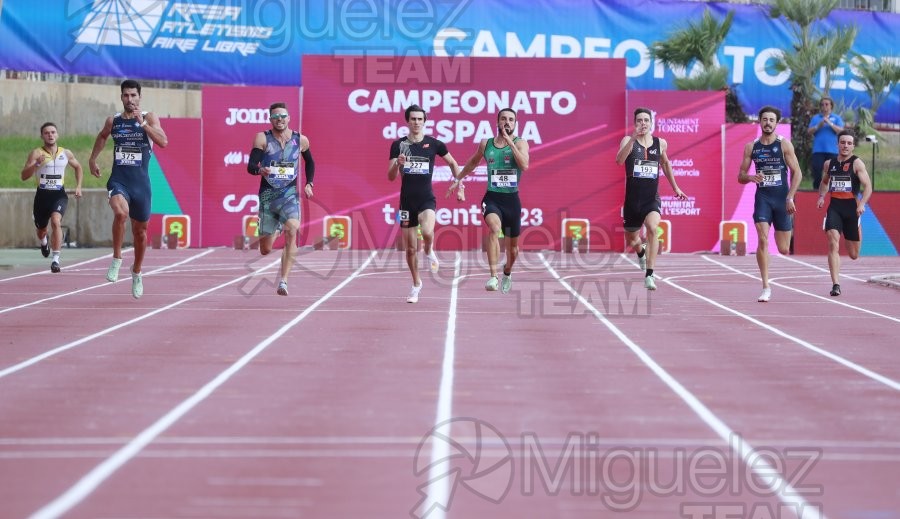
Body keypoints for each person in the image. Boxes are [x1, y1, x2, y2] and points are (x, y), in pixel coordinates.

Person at [88, 79, 168, 299]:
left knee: (140, 233)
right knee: (120, 213)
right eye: (126, 95)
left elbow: (163, 142)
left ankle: (137, 271)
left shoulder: (149, 117)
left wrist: (142, 123)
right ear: (121, 97)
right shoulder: (113, 120)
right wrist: (93, 159)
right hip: (119, 180)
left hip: (140, 184)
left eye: (133, 95)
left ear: (139, 97)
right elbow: (103, 136)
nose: (130, 99)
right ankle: (116, 258)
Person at [448, 108, 528, 293]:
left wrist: (510, 143)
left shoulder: (521, 142)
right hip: (492, 197)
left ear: (515, 123)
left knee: (513, 250)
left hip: (512, 201)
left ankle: (507, 270)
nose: (507, 122)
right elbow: (473, 162)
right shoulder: (487, 144)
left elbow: (524, 164)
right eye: (503, 119)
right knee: (494, 228)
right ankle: (493, 276)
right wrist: (458, 179)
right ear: (497, 122)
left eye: (511, 120)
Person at [388, 104, 460, 303]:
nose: (416, 122)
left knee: (427, 232)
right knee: (410, 249)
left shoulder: (434, 144)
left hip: (426, 198)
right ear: (407, 121)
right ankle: (416, 284)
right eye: (413, 119)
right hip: (406, 202)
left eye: (420, 119)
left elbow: (453, 163)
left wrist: (458, 182)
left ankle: (429, 250)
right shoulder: (399, 145)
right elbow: (390, 176)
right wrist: (397, 163)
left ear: (425, 121)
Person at [246, 102, 315, 296]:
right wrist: (260, 169)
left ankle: (283, 281)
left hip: (289, 195)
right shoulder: (263, 138)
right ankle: (274, 228)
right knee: (265, 249)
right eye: (275, 117)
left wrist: (309, 183)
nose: (280, 120)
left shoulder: (300, 140)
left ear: (289, 118)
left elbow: (310, 162)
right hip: (268, 196)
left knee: (293, 229)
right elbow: (251, 164)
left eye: (283, 116)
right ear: (270, 120)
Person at [615, 107, 687, 291]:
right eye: (639, 120)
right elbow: (619, 161)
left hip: (651, 199)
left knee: (653, 228)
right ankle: (641, 252)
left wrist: (676, 188)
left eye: (646, 120)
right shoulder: (627, 140)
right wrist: (632, 138)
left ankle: (649, 274)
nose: (643, 124)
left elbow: (665, 164)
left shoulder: (660, 143)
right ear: (634, 123)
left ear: (651, 123)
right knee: (632, 239)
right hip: (632, 200)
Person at [738, 106, 803, 302]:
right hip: (763, 198)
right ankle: (766, 285)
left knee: (783, 248)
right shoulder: (752, 147)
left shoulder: (784, 145)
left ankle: (780, 227)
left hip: (782, 199)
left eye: (771, 120)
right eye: (764, 119)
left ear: (776, 123)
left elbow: (798, 173)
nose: (767, 122)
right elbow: (740, 176)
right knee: (763, 239)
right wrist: (750, 177)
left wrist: (790, 197)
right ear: (760, 121)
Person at [20, 122, 84, 273]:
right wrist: (36, 164)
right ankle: (44, 242)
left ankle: (55, 260)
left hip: (58, 195)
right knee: (41, 229)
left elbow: (78, 167)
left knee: (56, 222)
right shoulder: (36, 153)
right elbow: (24, 176)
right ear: (42, 136)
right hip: (42, 196)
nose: (50, 135)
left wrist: (79, 186)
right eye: (47, 133)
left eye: (53, 132)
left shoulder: (66, 153)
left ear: (57, 134)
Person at [816, 130, 873, 297]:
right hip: (834, 207)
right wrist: (821, 196)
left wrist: (862, 204)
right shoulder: (829, 164)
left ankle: (857, 225)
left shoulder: (857, 164)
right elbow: (824, 182)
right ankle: (836, 284)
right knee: (833, 244)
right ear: (837, 144)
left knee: (853, 254)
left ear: (853, 146)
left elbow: (868, 186)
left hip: (852, 208)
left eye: (849, 143)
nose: (845, 146)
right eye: (843, 142)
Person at [807, 96, 844, 190]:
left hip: (833, 151)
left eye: (827, 104)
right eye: (822, 105)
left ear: (831, 106)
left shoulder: (836, 118)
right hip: (818, 150)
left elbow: (841, 131)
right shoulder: (816, 118)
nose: (824, 106)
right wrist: (818, 126)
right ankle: (816, 191)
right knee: (817, 171)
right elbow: (809, 132)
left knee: (834, 173)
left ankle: (834, 191)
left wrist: (830, 123)